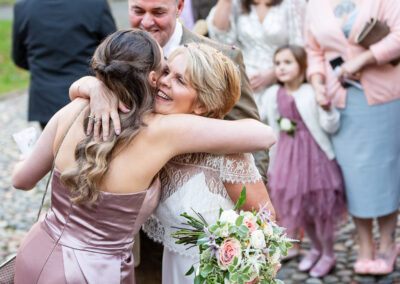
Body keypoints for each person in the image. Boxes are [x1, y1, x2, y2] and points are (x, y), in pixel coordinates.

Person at [12, 29, 274, 284]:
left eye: (178, 78)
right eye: (165, 70)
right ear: (150, 77)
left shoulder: (75, 107)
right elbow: (264, 136)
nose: (163, 80)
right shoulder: (163, 132)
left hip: (35, 250)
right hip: (93, 272)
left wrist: (93, 87)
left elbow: (21, 180)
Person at [79, 0, 269, 184]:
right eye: (137, 11)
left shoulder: (223, 58)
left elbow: (252, 137)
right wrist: (96, 87)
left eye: (158, 12)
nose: (146, 22)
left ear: (179, 7)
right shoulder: (122, 51)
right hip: (134, 189)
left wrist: (245, 206)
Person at [305, 0, 400, 275]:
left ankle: (387, 243)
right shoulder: (315, 5)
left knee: (385, 171)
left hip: (384, 95)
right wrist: (317, 84)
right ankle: (365, 245)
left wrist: (364, 58)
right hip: (341, 98)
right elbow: (314, 51)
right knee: (353, 176)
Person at [259, 45, 345, 277]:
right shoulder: (271, 95)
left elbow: (331, 125)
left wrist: (327, 110)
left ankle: (328, 252)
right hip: (287, 160)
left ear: (302, 66)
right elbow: (263, 121)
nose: (282, 68)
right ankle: (315, 248)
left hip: (314, 159)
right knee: (300, 209)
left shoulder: (310, 92)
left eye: (288, 62)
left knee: (320, 209)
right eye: (278, 63)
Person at [12, 0, 116, 129]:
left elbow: (19, 57)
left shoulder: (24, 7)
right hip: (88, 96)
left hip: (46, 97)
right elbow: (113, 52)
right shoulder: (95, 4)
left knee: (53, 147)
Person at [206, 0, 305, 108]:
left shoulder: (292, 3)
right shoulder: (237, 3)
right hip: (242, 79)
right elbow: (220, 36)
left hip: (281, 78)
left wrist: (274, 72)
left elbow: (299, 46)